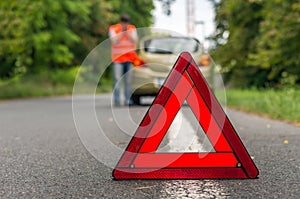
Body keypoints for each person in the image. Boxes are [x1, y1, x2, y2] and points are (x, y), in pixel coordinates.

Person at [109, 14, 138, 106]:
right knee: (117, 80)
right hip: (118, 59)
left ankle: (128, 100)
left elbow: (134, 40)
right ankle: (117, 101)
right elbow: (114, 41)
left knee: (128, 82)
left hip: (129, 59)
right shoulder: (113, 29)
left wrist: (127, 32)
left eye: (127, 22)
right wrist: (122, 31)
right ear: (120, 21)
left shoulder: (132, 29)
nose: (125, 24)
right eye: (123, 22)